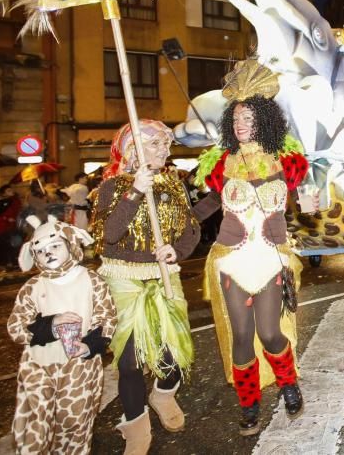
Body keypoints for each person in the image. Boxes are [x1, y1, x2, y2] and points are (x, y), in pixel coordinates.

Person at [194, 59, 312, 434]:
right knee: (241, 336)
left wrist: (311, 201)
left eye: (248, 118)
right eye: (236, 119)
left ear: (263, 120)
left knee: (270, 333)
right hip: (232, 260)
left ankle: (288, 382)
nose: (240, 125)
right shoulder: (219, 165)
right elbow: (210, 205)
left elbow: (306, 193)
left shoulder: (287, 161)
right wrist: (177, 227)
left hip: (271, 258)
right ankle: (249, 405)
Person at [91, 120, 212, 453]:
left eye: (166, 144)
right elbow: (108, 237)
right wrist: (135, 192)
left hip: (163, 274)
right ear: (134, 149)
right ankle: (136, 426)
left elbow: (190, 228)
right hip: (123, 276)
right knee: (128, 360)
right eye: (157, 144)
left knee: (173, 355)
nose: (166, 150)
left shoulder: (173, 183)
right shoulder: (112, 186)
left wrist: (178, 250)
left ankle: (163, 393)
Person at [8, 215, 116, 455]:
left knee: (75, 424)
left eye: (55, 246)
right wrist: (50, 325)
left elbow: (107, 319)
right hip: (38, 366)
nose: (48, 253)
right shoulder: (33, 287)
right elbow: (16, 327)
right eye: (41, 251)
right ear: (34, 256)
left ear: (70, 245)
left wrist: (89, 346)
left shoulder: (91, 280)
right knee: (36, 427)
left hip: (79, 369)